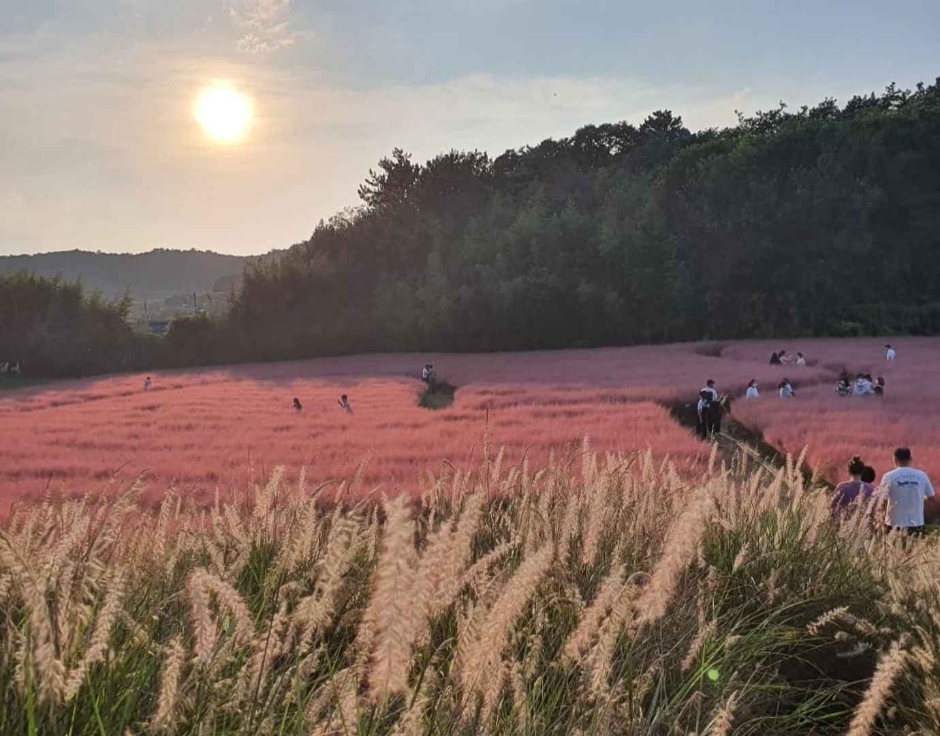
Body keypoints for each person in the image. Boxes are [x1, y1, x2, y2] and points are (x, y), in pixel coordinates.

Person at [878, 447, 935, 534]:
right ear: (910, 459)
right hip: (917, 524)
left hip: (893, 524)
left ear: (894, 460)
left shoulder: (888, 477)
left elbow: (881, 501)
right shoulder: (922, 475)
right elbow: (931, 498)